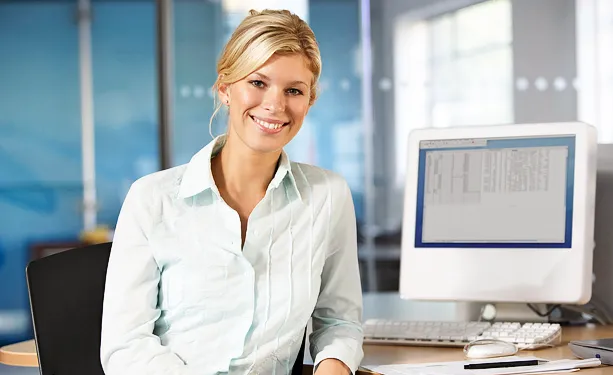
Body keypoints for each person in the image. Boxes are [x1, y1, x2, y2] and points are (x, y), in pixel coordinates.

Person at [100, 8, 364, 375]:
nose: (275, 104)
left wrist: (333, 366)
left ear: (310, 101)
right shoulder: (151, 199)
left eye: (294, 90)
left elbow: (338, 322)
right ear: (225, 88)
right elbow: (125, 347)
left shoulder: (328, 196)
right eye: (258, 83)